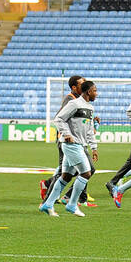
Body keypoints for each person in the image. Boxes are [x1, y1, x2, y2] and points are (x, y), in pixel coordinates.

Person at [39, 80, 99, 218]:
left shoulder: (90, 108)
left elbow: (89, 130)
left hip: (80, 144)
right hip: (71, 145)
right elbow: (59, 119)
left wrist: (94, 147)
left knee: (65, 176)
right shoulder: (74, 104)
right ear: (89, 91)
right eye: (95, 90)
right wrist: (66, 134)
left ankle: (48, 204)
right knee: (85, 173)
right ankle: (72, 205)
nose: (96, 93)